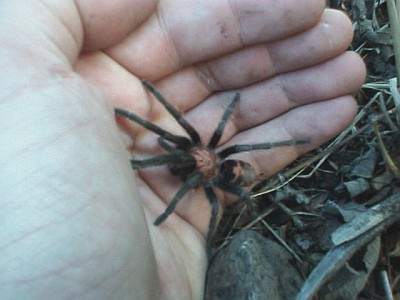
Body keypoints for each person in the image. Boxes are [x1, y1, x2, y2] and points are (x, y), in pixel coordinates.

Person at [0, 1, 365, 299]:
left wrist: (168, 203)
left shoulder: (204, 168)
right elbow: (173, 132)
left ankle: (289, 145)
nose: (190, 155)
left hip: (222, 168)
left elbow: (182, 130)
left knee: (208, 141)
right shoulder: (194, 155)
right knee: (179, 135)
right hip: (215, 166)